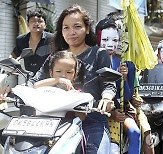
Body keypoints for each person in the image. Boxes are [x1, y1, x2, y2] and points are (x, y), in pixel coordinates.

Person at [28, 4, 116, 154]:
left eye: (77, 26)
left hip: (91, 120)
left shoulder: (98, 53)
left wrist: (106, 98)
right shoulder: (56, 56)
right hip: (57, 119)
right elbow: (34, 81)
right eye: (66, 27)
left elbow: (109, 84)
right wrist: (12, 91)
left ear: (87, 29)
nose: (71, 32)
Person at [96, 17, 154, 154]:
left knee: (136, 132)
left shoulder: (125, 63)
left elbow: (127, 95)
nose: (110, 45)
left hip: (121, 109)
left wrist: (125, 77)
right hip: (97, 110)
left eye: (115, 40)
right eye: (105, 40)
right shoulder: (92, 57)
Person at [10, 8, 53, 75]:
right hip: (29, 77)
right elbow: (14, 55)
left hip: (48, 78)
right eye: (33, 21)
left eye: (40, 21)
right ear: (28, 24)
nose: (36, 24)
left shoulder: (52, 39)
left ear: (45, 25)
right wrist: (8, 64)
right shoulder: (21, 40)